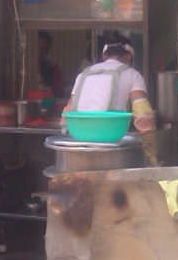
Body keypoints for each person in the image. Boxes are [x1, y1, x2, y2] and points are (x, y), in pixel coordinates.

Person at [66, 35, 157, 164]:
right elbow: (143, 115)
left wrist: (65, 133)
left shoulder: (83, 75)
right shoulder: (132, 74)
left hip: (78, 136)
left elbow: (68, 109)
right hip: (110, 135)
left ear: (103, 55)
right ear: (129, 56)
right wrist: (150, 156)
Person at [36, 30, 64, 100]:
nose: (39, 52)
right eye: (37, 48)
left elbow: (59, 95)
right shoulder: (22, 70)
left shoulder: (53, 69)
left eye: (43, 49)